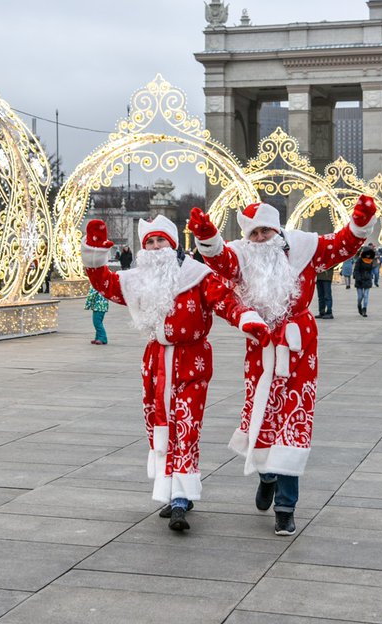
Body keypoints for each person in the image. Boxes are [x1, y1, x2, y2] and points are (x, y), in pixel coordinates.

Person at [190, 195, 379, 536]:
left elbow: (341, 245)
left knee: (293, 421)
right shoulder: (242, 257)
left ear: (277, 230)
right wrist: (207, 235)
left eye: (265, 231)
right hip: (261, 346)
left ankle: (286, 507)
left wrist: (360, 221)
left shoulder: (305, 249)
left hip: (299, 347)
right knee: (263, 417)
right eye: (254, 234)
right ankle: (267, 475)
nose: (260, 239)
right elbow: (220, 260)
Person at [85, 214, 267, 533]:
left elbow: (225, 301)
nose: (155, 248)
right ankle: (171, 491)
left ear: (173, 245)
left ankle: (182, 496)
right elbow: (106, 284)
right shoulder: (140, 279)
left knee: (186, 423)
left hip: (192, 359)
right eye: (150, 243)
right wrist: (95, 254)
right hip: (156, 361)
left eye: (161, 242)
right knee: (160, 423)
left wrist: (247, 319)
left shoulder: (198, 276)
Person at [352, 244, 376, 316]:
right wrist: (358, 278)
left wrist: (371, 276)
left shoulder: (370, 260)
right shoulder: (359, 260)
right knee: (360, 296)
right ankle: (359, 305)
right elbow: (356, 270)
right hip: (359, 279)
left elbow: (370, 270)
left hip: (367, 279)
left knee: (366, 295)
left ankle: (364, 309)